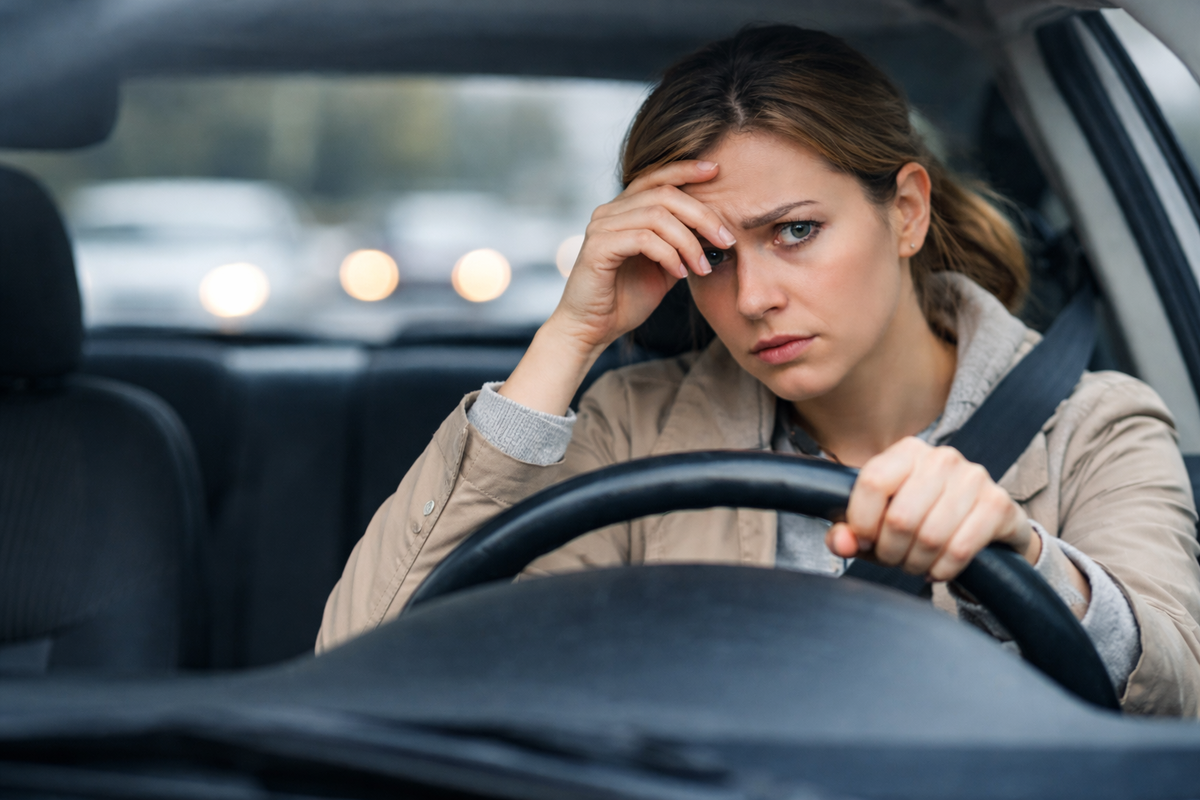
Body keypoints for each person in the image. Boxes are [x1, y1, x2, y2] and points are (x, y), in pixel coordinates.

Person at [317, 25, 1200, 715]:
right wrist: (568, 336)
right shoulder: (630, 428)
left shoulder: (1094, 426)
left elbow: (1181, 699)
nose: (753, 298)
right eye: (709, 255)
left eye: (795, 232)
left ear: (905, 211)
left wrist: (1027, 560)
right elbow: (364, 669)